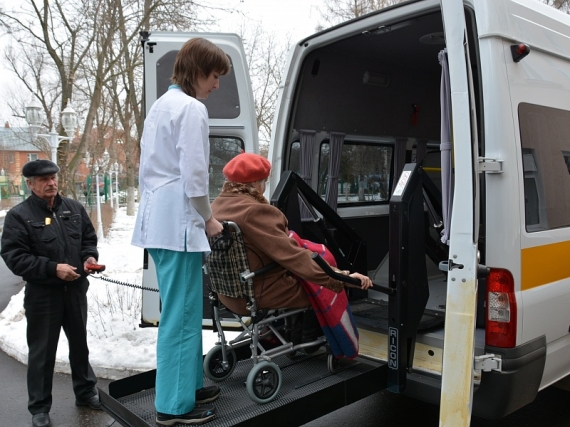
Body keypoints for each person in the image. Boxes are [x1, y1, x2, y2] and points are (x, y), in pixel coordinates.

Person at [131, 37, 229, 426]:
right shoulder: (191, 109)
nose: (217, 85)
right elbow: (193, 177)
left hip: (158, 222)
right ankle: (173, 406)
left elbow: (148, 172)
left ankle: (186, 387)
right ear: (198, 71)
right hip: (179, 227)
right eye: (215, 76)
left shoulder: (159, 107)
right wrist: (209, 218)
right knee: (183, 316)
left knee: (183, 314)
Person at [210, 153, 373, 345]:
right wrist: (341, 278)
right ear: (254, 184)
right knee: (321, 285)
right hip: (256, 292)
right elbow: (292, 256)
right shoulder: (256, 211)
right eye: (264, 182)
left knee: (308, 275)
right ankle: (312, 339)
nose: (264, 188)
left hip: (227, 293)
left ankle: (287, 332)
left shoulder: (215, 208)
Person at [1, 159, 102, 427]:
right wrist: (52, 269)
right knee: (42, 353)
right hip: (43, 295)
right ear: (30, 184)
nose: (51, 183)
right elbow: (14, 257)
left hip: (76, 289)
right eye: (44, 179)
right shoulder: (19, 216)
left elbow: (88, 239)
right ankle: (40, 409)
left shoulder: (74, 208)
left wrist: (89, 257)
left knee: (80, 346)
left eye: (53, 177)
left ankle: (85, 392)